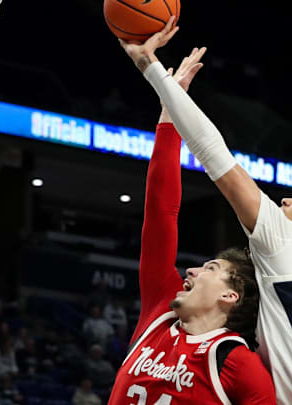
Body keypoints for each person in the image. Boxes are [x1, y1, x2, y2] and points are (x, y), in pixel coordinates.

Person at [119, 19, 292, 405]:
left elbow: (214, 153)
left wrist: (153, 71)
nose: (286, 201)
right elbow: (160, 211)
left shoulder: (289, 244)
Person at [108, 52, 275, 404]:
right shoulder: (159, 311)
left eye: (211, 268)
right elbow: (160, 213)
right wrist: (171, 111)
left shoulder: (238, 364)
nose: (192, 270)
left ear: (230, 296)